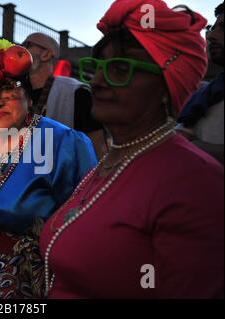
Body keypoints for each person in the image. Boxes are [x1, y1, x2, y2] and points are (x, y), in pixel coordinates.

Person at [40, 0, 224, 299]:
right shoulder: (111, 161)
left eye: (121, 68)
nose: (97, 82)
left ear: (167, 86)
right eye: (98, 67)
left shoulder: (195, 182)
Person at [0, 23, 97, 299]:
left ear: (27, 93)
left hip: (33, 284)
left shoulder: (64, 143)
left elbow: (88, 225)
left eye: (6, 89)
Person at [22, 32, 107, 158]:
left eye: (26, 45)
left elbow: (98, 151)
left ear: (46, 54)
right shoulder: (16, 91)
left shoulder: (76, 93)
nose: (20, 48)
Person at [177, 3, 224, 165]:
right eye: (212, 28)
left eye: (223, 28)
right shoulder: (209, 91)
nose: (211, 36)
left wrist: (193, 146)